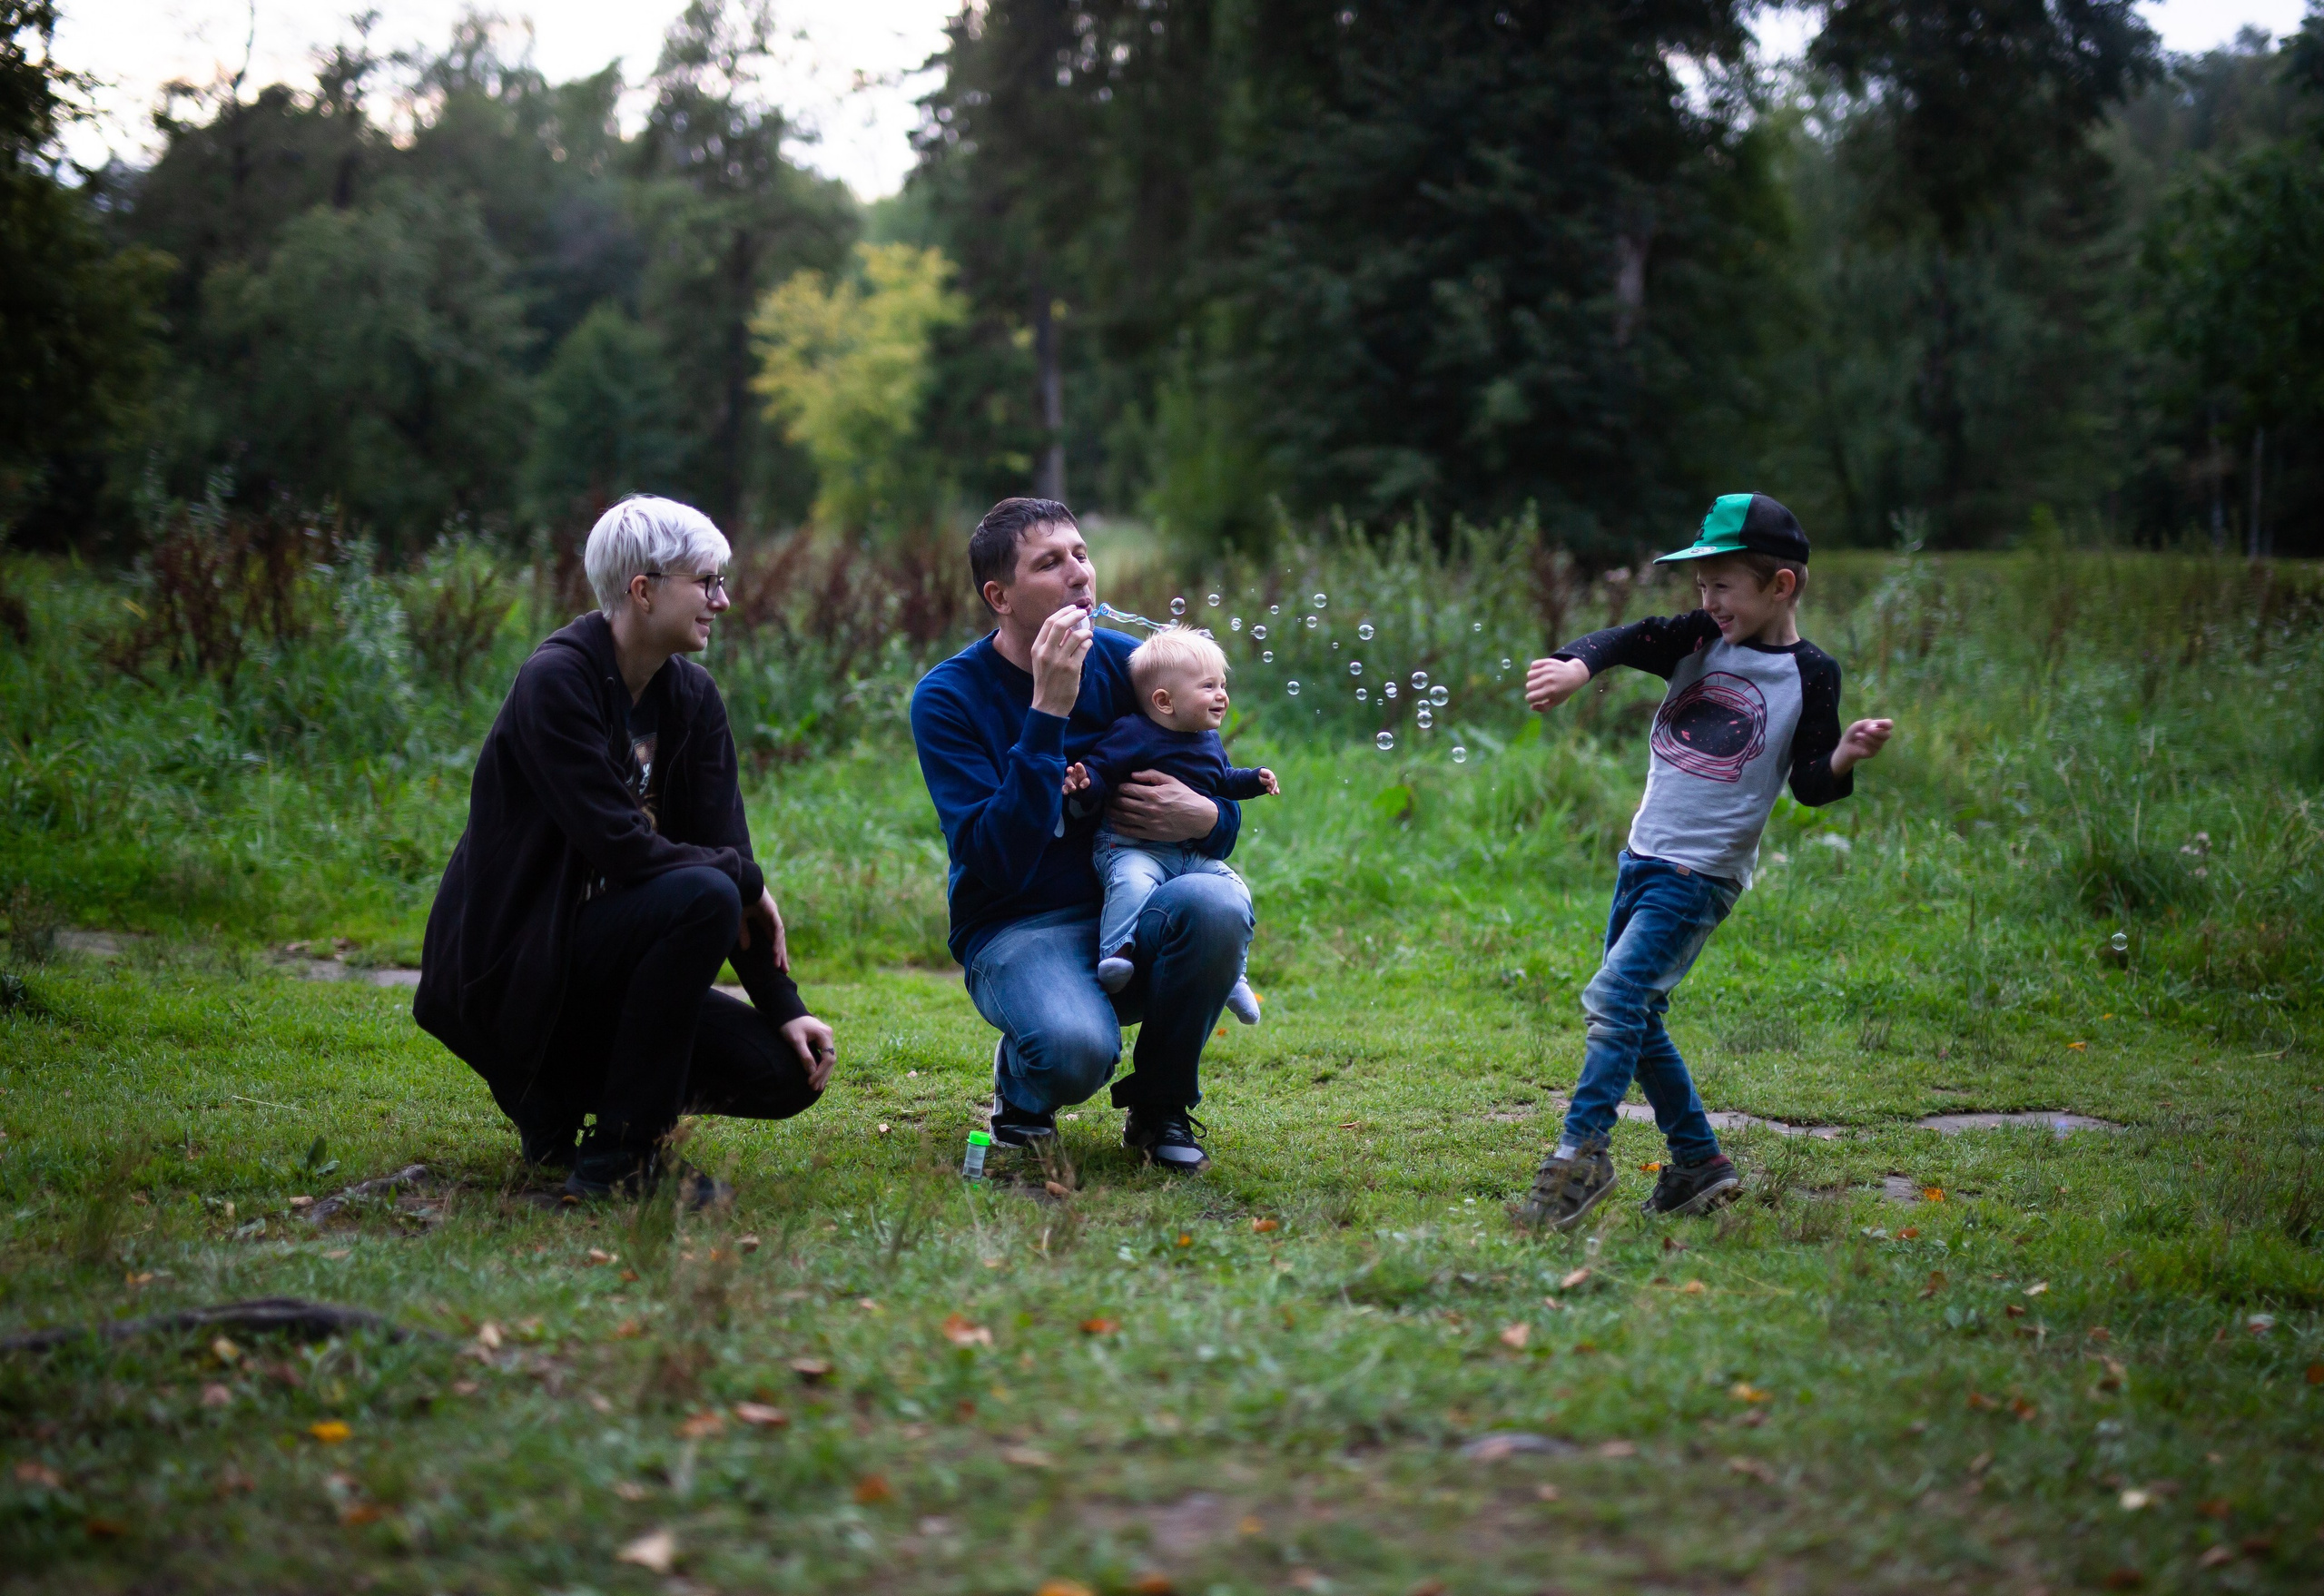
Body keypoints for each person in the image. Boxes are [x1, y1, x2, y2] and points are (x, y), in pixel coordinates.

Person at [414, 496, 837, 1201]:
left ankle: (556, 1106)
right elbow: (627, 851)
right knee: (702, 893)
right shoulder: (558, 682)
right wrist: (743, 878)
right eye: (707, 582)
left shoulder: (692, 702)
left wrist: (783, 1003)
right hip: (514, 970)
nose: (723, 601)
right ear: (643, 590)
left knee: (783, 1070)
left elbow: (722, 848)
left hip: (600, 963)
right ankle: (622, 1157)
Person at [1512, 492, 1893, 1230]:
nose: (1708, 601)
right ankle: (1699, 1165)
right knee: (1640, 1014)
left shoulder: (1811, 674)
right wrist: (1574, 667)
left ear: (1780, 586)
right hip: (1642, 860)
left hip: (1700, 877)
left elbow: (1811, 783)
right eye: (1701, 587)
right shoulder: (1696, 640)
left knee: (1616, 1000)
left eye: (1724, 585)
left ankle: (1582, 1153)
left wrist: (1845, 752)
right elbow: (1626, 638)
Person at [910, 498, 1252, 1173]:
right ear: (999, 596)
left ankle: (1159, 1107)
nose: (1079, 575)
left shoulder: (1131, 667)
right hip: (1017, 926)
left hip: (1128, 912)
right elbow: (998, 861)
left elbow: (1209, 789)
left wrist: (1212, 818)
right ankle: (1022, 1098)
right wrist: (1048, 711)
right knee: (1073, 1051)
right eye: (1049, 563)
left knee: (1216, 906)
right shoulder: (949, 697)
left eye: (1081, 555)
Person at [1064, 625, 1277, 1024]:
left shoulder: (1209, 742)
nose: (1222, 696)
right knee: (1130, 883)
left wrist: (1255, 781)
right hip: (1129, 847)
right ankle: (1116, 954)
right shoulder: (1133, 733)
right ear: (1164, 701)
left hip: (1187, 853)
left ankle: (1232, 974)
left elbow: (1224, 782)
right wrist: (1084, 784)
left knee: (1233, 888)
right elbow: (1102, 770)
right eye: (1208, 687)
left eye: (1223, 685)